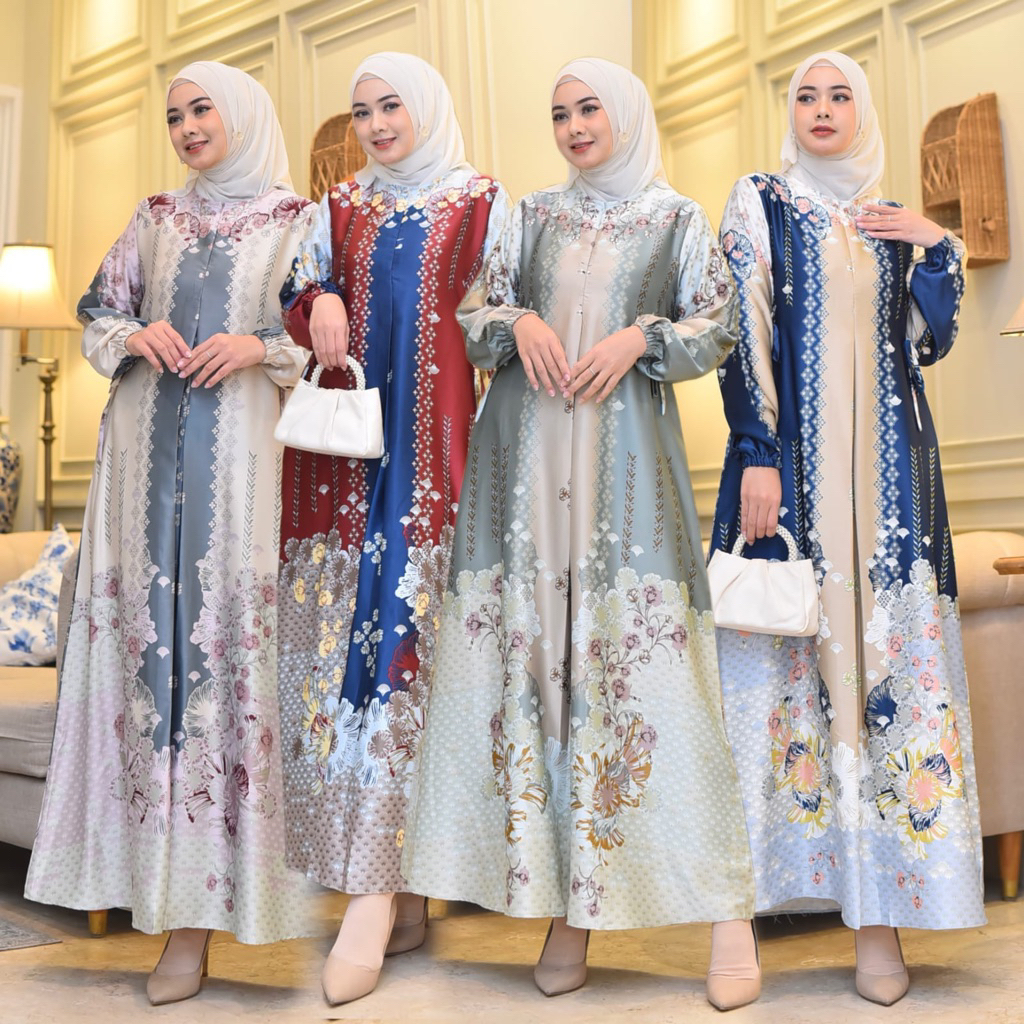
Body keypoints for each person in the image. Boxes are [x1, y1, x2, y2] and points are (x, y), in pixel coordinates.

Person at [401, 57, 759, 1011]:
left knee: (652, 678)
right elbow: (473, 313)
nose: (573, 126)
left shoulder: (676, 219)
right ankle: (568, 913)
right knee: (539, 676)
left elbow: (719, 324)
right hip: (522, 476)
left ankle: (726, 913)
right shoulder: (530, 216)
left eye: (589, 107)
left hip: (625, 483)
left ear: (625, 113)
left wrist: (642, 337)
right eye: (559, 113)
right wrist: (517, 321)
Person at [24, 61, 316, 1005]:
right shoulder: (153, 216)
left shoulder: (295, 222)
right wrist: (133, 336)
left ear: (242, 117)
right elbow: (97, 314)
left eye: (202, 111)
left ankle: (199, 927)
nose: (188, 128)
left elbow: (328, 340)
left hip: (242, 473)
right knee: (150, 666)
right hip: (142, 469)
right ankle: (154, 902)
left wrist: (259, 347)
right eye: (175, 116)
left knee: (222, 663)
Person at [710, 50, 985, 1006]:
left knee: (879, 678)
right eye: (806, 96)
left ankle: (880, 920)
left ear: (862, 112)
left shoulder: (888, 219)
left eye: (840, 96)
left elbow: (927, 343)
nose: (822, 110)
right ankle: (736, 918)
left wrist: (936, 244)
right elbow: (739, 326)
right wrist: (756, 449)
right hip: (787, 484)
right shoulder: (760, 202)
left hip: (893, 496)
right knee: (775, 679)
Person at [275, 52, 510, 1006]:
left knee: (410, 662)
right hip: (342, 472)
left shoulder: (482, 203)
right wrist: (320, 299)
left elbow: (502, 316)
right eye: (362, 111)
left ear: (428, 109)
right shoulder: (337, 209)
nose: (375, 125)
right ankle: (396, 895)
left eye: (391, 107)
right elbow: (293, 296)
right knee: (352, 661)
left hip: (439, 469)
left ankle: (375, 900)